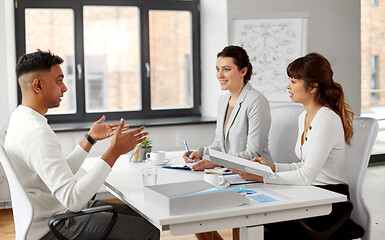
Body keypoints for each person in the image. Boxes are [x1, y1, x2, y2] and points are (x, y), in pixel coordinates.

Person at [4, 50, 160, 240]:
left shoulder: (20, 119)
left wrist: (90, 139)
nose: (65, 89)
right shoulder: (36, 133)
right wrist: (114, 151)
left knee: (142, 216)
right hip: (54, 227)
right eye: (59, 81)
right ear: (38, 85)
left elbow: (59, 173)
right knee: (149, 231)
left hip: (50, 217)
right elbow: (73, 199)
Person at [231, 52, 354, 239]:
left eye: (294, 81)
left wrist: (263, 177)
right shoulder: (303, 117)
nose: (288, 86)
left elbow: (306, 175)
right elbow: (304, 166)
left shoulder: (327, 119)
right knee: (248, 216)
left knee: (256, 220)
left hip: (330, 202)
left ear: (313, 87)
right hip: (310, 193)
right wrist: (272, 167)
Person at [183, 45, 272, 172]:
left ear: (243, 71)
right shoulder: (223, 101)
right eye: (217, 69)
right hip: (229, 173)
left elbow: (253, 153)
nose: (220, 75)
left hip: (254, 174)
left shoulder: (257, 101)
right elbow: (220, 144)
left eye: (226, 69)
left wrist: (217, 162)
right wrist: (201, 153)